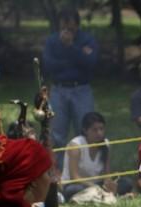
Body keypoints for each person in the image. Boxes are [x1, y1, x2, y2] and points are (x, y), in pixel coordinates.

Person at [42, 7, 97, 168]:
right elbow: (48, 66)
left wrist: (70, 47)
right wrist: (76, 57)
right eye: (63, 27)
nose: (66, 30)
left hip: (82, 89)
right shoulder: (52, 41)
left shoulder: (87, 40)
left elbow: (90, 63)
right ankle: (57, 173)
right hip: (59, 90)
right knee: (57, 134)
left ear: (77, 25)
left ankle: (85, 169)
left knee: (86, 129)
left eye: (70, 27)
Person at [61, 112, 132, 201]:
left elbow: (106, 173)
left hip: (97, 184)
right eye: (94, 130)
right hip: (78, 184)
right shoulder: (76, 145)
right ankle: (107, 196)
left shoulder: (106, 144)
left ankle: (103, 195)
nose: (99, 133)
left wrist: (109, 183)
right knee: (73, 190)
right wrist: (94, 186)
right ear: (85, 130)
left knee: (126, 183)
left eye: (101, 129)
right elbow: (74, 177)